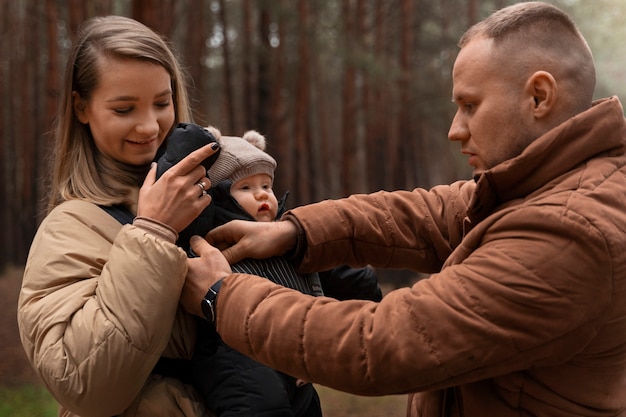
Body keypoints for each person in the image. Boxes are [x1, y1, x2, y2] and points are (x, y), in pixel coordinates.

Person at [180, 2, 626, 416]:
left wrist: (222, 295)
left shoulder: (569, 230)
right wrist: (298, 231)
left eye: (470, 106)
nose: (456, 130)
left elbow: (381, 344)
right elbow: (431, 213)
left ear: (539, 97)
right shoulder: (553, 184)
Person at [17, 15, 220, 417]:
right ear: (81, 107)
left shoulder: (212, 192)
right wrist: (153, 231)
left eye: (162, 103)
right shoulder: (71, 226)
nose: (150, 126)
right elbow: (83, 383)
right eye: (124, 108)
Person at [189, 127, 382, 416]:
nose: (261, 195)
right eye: (245, 188)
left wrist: (368, 292)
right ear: (217, 196)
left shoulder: (284, 238)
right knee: (261, 405)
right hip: (236, 351)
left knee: (307, 407)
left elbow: (336, 273)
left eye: (266, 186)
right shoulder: (211, 240)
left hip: (294, 346)